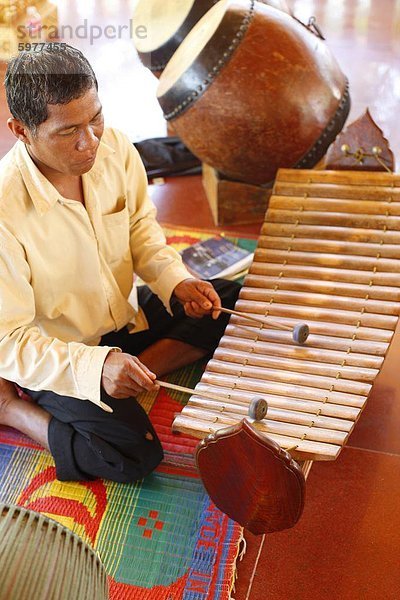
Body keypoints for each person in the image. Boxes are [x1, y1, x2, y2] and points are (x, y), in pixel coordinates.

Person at [0, 45, 240, 483]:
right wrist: (96, 368)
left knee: (229, 298)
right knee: (132, 454)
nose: (90, 142)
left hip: (123, 321)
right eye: (68, 130)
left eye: (95, 118)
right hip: (61, 356)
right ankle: (11, 408)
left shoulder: (115, 149)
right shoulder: (4, 209)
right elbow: (10, 342)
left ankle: (136, 370)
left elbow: (140, 231)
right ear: (22, 130)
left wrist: (174, 281)